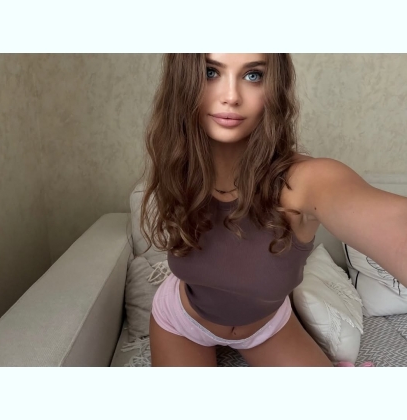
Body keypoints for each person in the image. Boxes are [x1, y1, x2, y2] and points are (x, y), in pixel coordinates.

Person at [137, 53, 407, 367]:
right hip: (182, 321)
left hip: (266, 328)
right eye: (211, 72)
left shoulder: (306, 181)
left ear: (275, 87)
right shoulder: (179, 171)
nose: (231, 96)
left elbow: (391, 221)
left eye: (253, 75)